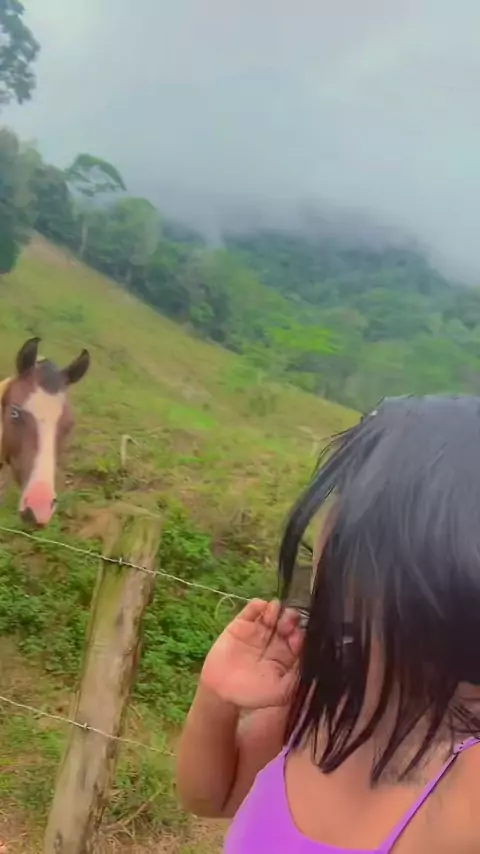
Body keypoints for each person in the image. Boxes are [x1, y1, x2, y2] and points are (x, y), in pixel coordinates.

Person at [177, 395, 480, 852]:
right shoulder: (327, 688)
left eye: (346, 503)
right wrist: (216, 699)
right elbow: (209, 797)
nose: (326, 529)